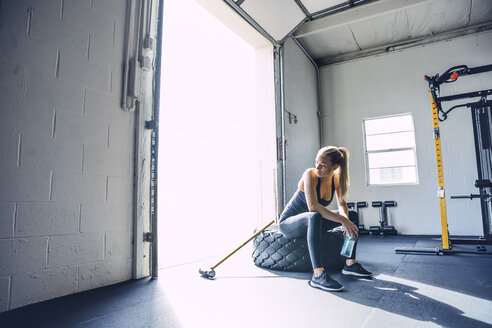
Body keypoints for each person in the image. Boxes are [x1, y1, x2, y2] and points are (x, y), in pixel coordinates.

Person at [278, 146, 372, 292]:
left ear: (334, 167)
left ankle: (350, 262)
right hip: (289, 224)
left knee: (352, 215)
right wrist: (342, 220)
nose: (318, 167)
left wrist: (346, 220)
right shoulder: (310, 174)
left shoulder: (336, 180)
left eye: (323, 165)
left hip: (313, 223)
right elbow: (313, 207)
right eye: (317, 163)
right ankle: (318, 274)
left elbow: (341, 204)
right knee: (314, 216)